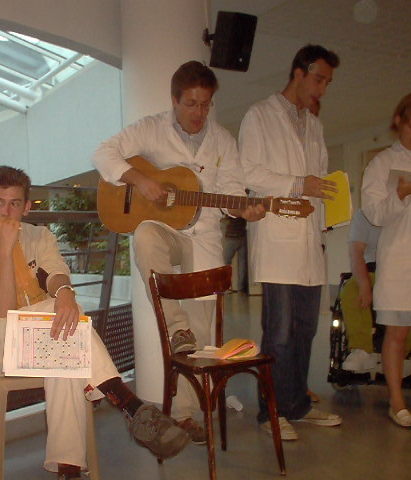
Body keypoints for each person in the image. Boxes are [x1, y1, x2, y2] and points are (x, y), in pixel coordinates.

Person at [0, 166, 190, 480]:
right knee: (61, 324)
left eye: (14, 203)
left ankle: (69, 469)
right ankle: (129, 405)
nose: (5, 212)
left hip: (46, 338)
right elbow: (1, 313)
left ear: (27, 207)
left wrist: (64, 293)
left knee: (65, 347)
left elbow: (56, 273)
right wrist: (5, 251)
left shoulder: (39, 236)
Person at [93, 61, 265, 444]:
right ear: (174, 100)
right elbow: (103, 153)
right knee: (144, 235)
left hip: (204, 236)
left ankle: (187, 415)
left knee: (202, 336)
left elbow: (231, 190)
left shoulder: (223, 140)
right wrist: (140, 179)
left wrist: (243, 208)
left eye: (205, 104)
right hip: (166, 230)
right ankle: (176, 326)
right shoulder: (151, 128)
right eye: (191, 104)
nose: (199, 113)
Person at [238, 44, 343, 441]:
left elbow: (320, 180)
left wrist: (330, 210)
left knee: (305, 330)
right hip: (278, 241)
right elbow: (249, 172)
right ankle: (272, 411)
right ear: (299, 72)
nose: (323, 89)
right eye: (319, 80)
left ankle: (297, 405)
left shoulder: (314, 125)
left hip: (310, 241)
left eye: (328, 83)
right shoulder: (259, 115)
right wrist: (300, 185)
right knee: (279, 332)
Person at [361, 92, 411, 428]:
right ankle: (396, 401)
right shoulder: (382, 163)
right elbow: (374, 214)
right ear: (399, 122)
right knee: (398, 332)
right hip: (400, 259)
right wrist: (399, 195)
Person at [339, 209, 385, 371]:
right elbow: (356, 253)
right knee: (351, 291)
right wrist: (364, 284)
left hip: (402, 270)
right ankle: (361, 350)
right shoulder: (364, 215)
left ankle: (402, 352)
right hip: (371, 269)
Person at [220, 215, 248, 293]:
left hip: (231, 238)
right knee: (242, 264)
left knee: (226, 264)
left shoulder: (232, 213)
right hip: (242, 237)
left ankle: (226, 287)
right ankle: (240, 287)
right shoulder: (243, 213)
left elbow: (224, 218)